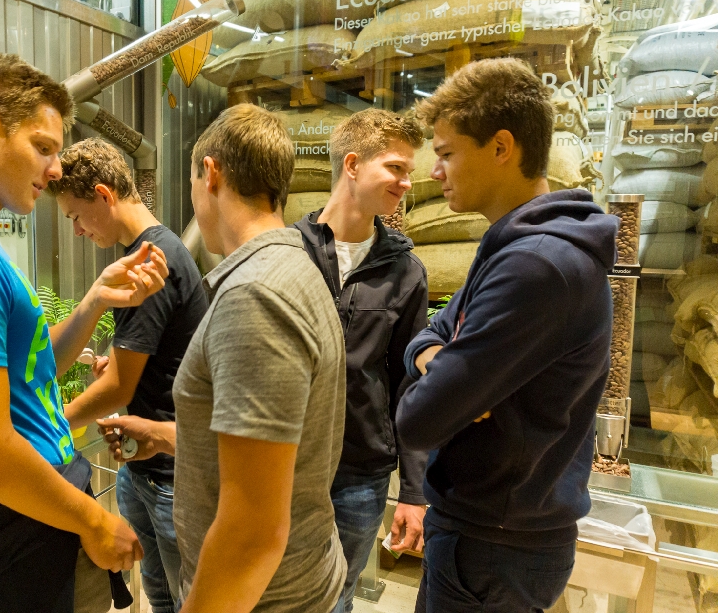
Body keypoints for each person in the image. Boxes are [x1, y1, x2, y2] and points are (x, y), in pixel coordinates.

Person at [0, 54, 167, 612]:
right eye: (43, 147)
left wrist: (95, 299)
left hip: (25, 516)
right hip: (13, 532)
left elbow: (28, 371)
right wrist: (94, 521)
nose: (57, 169)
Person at [99, 103, 349, 613]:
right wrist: (166, 436)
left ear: (210, 174)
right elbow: (275, 449)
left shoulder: (254, 295)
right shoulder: (292, 266)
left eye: (192, 183)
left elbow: (251, 533)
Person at [398, 57, 618, 612]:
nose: (434, 172)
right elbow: (428, 336)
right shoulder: (514, 246)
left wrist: (442, 381)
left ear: (501, 147)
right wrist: (440, 366)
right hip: (495, 533)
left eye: (447, 154)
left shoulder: (536, 266)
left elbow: (418, 419)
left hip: (494, 547)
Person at [48, 137, 209, 613]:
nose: (77, 231)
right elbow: (140, 367)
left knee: (185, 601)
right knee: (159, 597)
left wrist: (54, 423)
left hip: (170, 476)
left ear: (103, 195)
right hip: (144, 468)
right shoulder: (153, 250)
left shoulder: (150, 261)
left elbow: (119, 386)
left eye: (76, 216)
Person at [291, 108, 429, 613]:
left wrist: (413, 490)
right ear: (352, 164)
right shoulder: (288, 251)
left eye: (409, 170)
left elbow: (410, 385)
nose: (406, 182)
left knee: (337, 598)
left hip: (361, 474)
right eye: (395, 167)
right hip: (285, 464)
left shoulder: (406, 271)